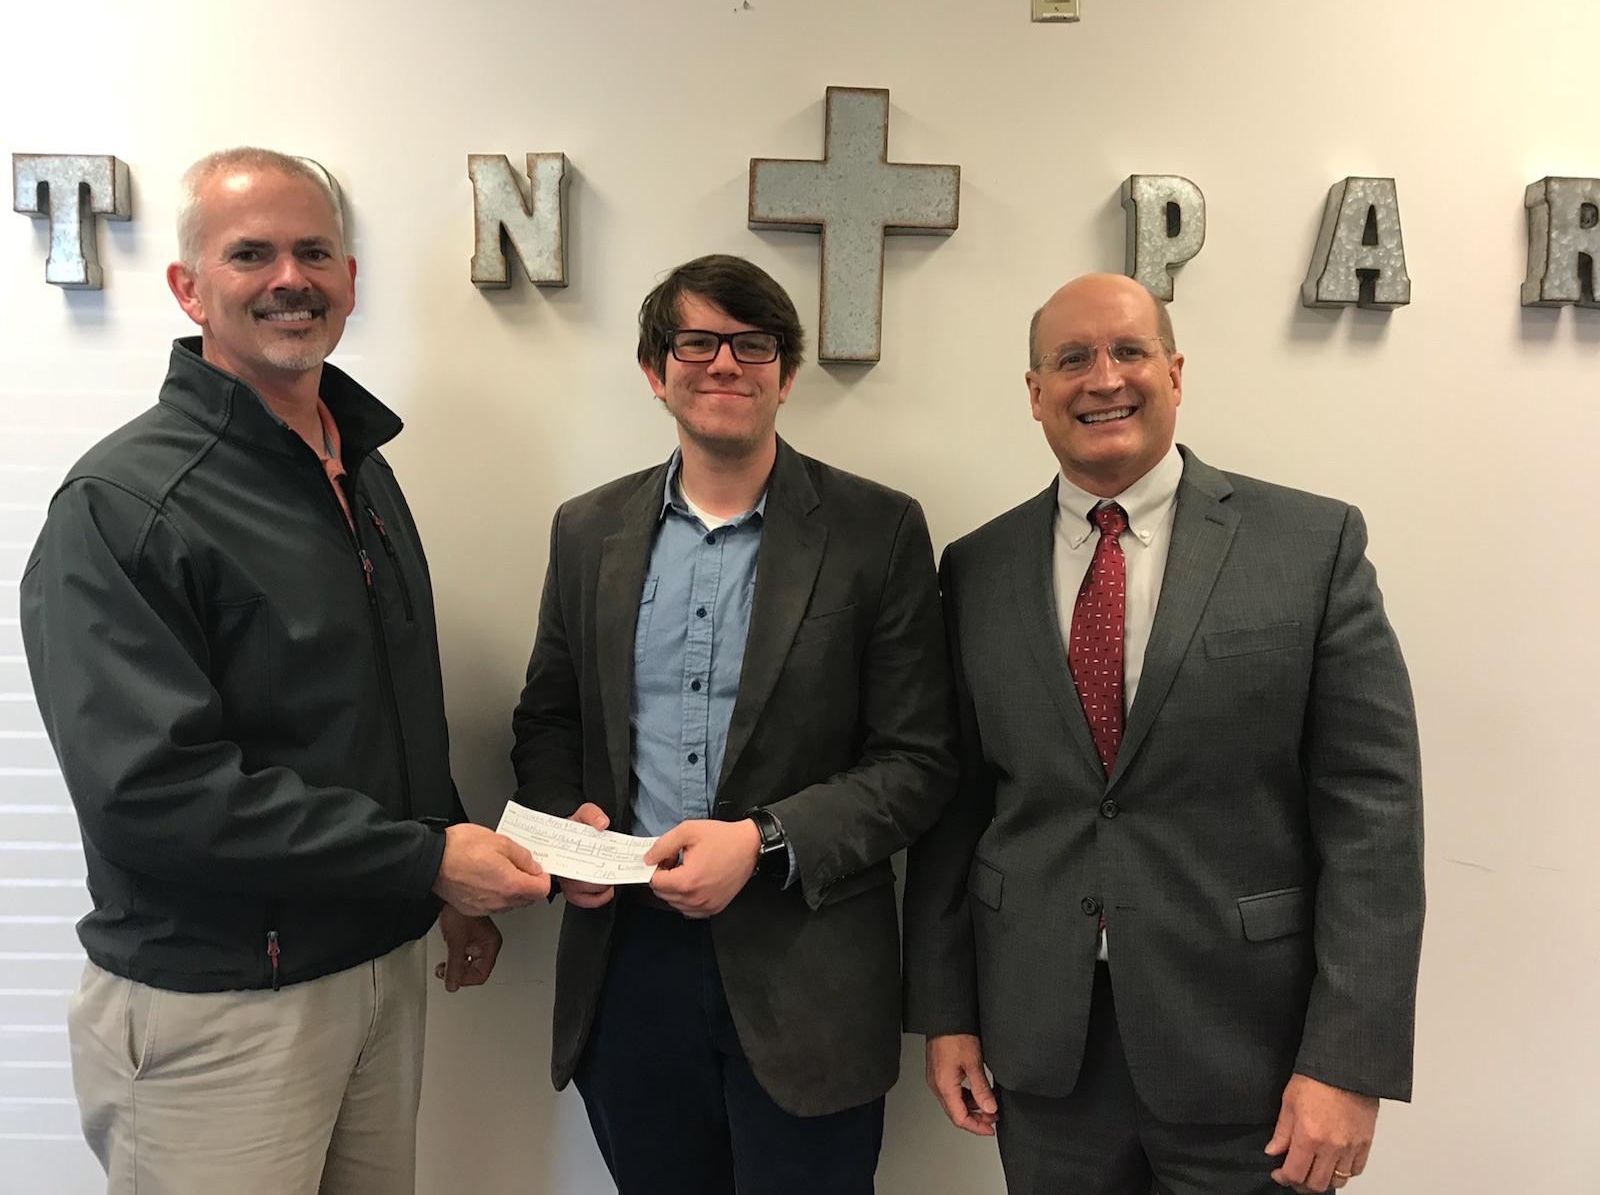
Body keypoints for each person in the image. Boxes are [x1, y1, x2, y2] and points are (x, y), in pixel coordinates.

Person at [20, 147, 549, 1195]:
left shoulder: (358, 468)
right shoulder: (125, 505)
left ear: (350, 279)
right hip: (219, 1009)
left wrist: (440, 875)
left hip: (374, 976)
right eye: (249, 254)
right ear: (189, 288)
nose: (288, 280)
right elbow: (153, 794)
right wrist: (425, 860)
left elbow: (385, 707)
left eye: (313, 252)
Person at [903, 272, 1423, 1195]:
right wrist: (946, 1013)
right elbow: (959, 806)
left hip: (1250, 1056)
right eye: (1072, 359)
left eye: (1129, 351)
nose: (1104, 378)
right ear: (1035, 393)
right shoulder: (975, 568)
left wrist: (1348, 1061)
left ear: (1175, 373)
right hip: (1044, 1050)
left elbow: (1373, 817)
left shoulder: (1310, 545)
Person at [509, 253, 956, 1194]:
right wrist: (569, 828)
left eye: (752, 345)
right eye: (696, 342)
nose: (724, 364)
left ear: (786, 374)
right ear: (655, 370)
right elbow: (549, 719)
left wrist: (761, 843)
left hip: (810, 970)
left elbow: (918, 762)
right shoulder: (585, 531)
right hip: (627, 969)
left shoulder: (880, 531)